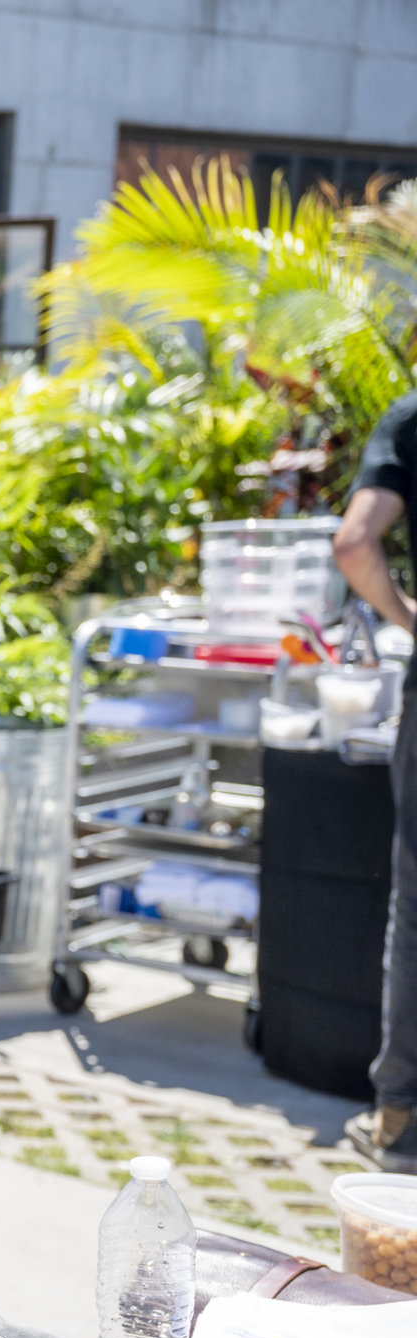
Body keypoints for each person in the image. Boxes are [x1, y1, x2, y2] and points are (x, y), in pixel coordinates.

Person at [332, 395, 417, 1166]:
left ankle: (399, 1120)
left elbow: (356, 542)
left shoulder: (412, 417)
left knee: (416, 904)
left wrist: (406, 615)